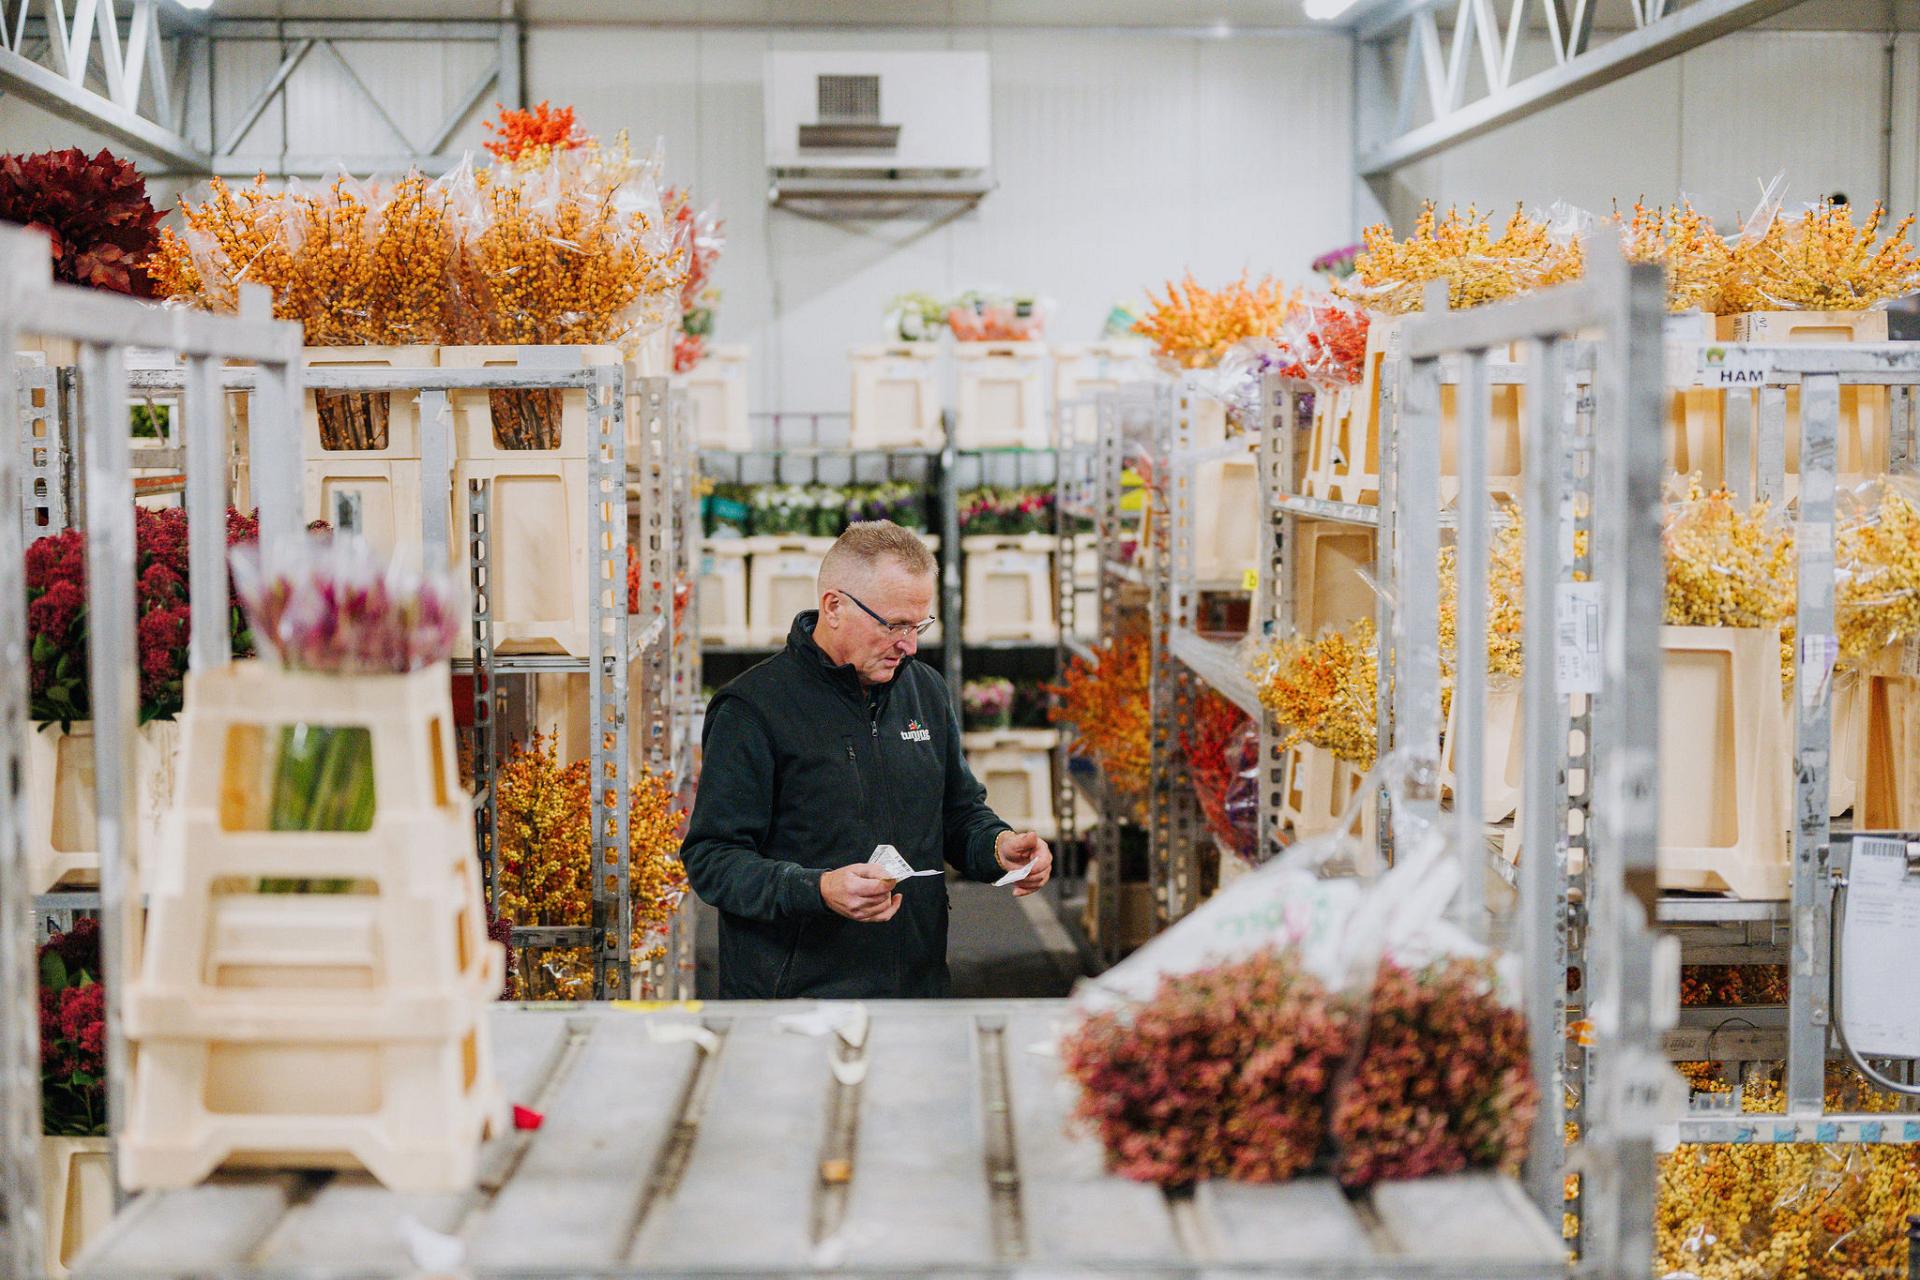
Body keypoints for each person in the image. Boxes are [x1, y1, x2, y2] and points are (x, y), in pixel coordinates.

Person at [680, 520, 1053, 998]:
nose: (909, 644)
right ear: (833, 606)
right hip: (794, 1000)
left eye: (919, 625)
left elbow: (958, 814)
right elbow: (713, 860)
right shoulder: (753, 709)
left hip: (917, 985)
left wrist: (1000, 848)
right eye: (894, 624)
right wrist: (816, 889)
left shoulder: (925, 691)